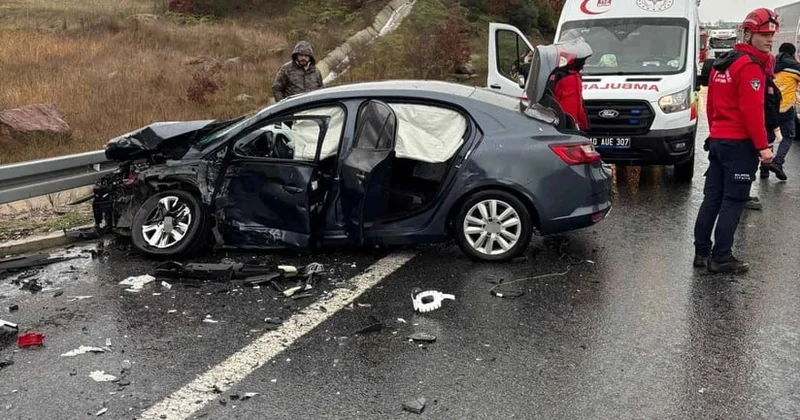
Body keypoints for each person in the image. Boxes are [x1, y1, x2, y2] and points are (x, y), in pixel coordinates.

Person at [693, 8, 777, 274]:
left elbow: (711, 105)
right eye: (763, 34)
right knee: (734, 200)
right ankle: (721, 257)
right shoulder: (750, 67)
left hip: (719, 140)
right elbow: (752, 111)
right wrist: (763, 148)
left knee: (712, 198)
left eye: (771, 35)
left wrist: (715, 132)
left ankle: (701, 252)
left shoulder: (724, 63)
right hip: (739, 144)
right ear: (749, 34)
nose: (769, 40)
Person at [767, 42, 800, 180]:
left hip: (769, 107)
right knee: (787, 136)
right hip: (786, 108)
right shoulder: (795, 68)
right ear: (792, 53)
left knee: (769, 137)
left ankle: (764, 168)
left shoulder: (771, 65)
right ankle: (777, 162)